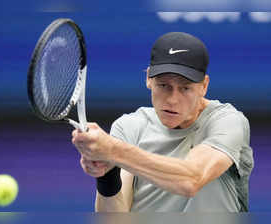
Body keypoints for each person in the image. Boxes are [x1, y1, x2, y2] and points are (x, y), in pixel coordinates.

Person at [72, 32, 254, 212]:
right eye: (164, 85)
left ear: (204, 86)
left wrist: (113, 151)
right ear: (148, 78)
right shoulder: (129, 127)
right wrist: (107, 176)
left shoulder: (227, 122)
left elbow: (192, 179)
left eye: (185, 88)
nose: (173, 100)